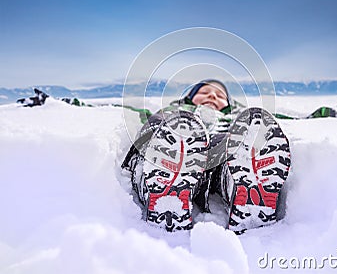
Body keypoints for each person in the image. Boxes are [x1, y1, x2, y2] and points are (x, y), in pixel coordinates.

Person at [122, 79, 291, 233]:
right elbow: (133, 111)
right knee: (157, 133)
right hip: (173, 146)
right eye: (203, 92)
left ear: (228, 104)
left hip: (220, 150)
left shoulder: (231, 118)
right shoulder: (174, 111)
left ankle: (246, 195)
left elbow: (288, 118)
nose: (211, 95)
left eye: (219, 95)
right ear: (190, 98)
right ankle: (155, 189)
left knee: (246, 137)